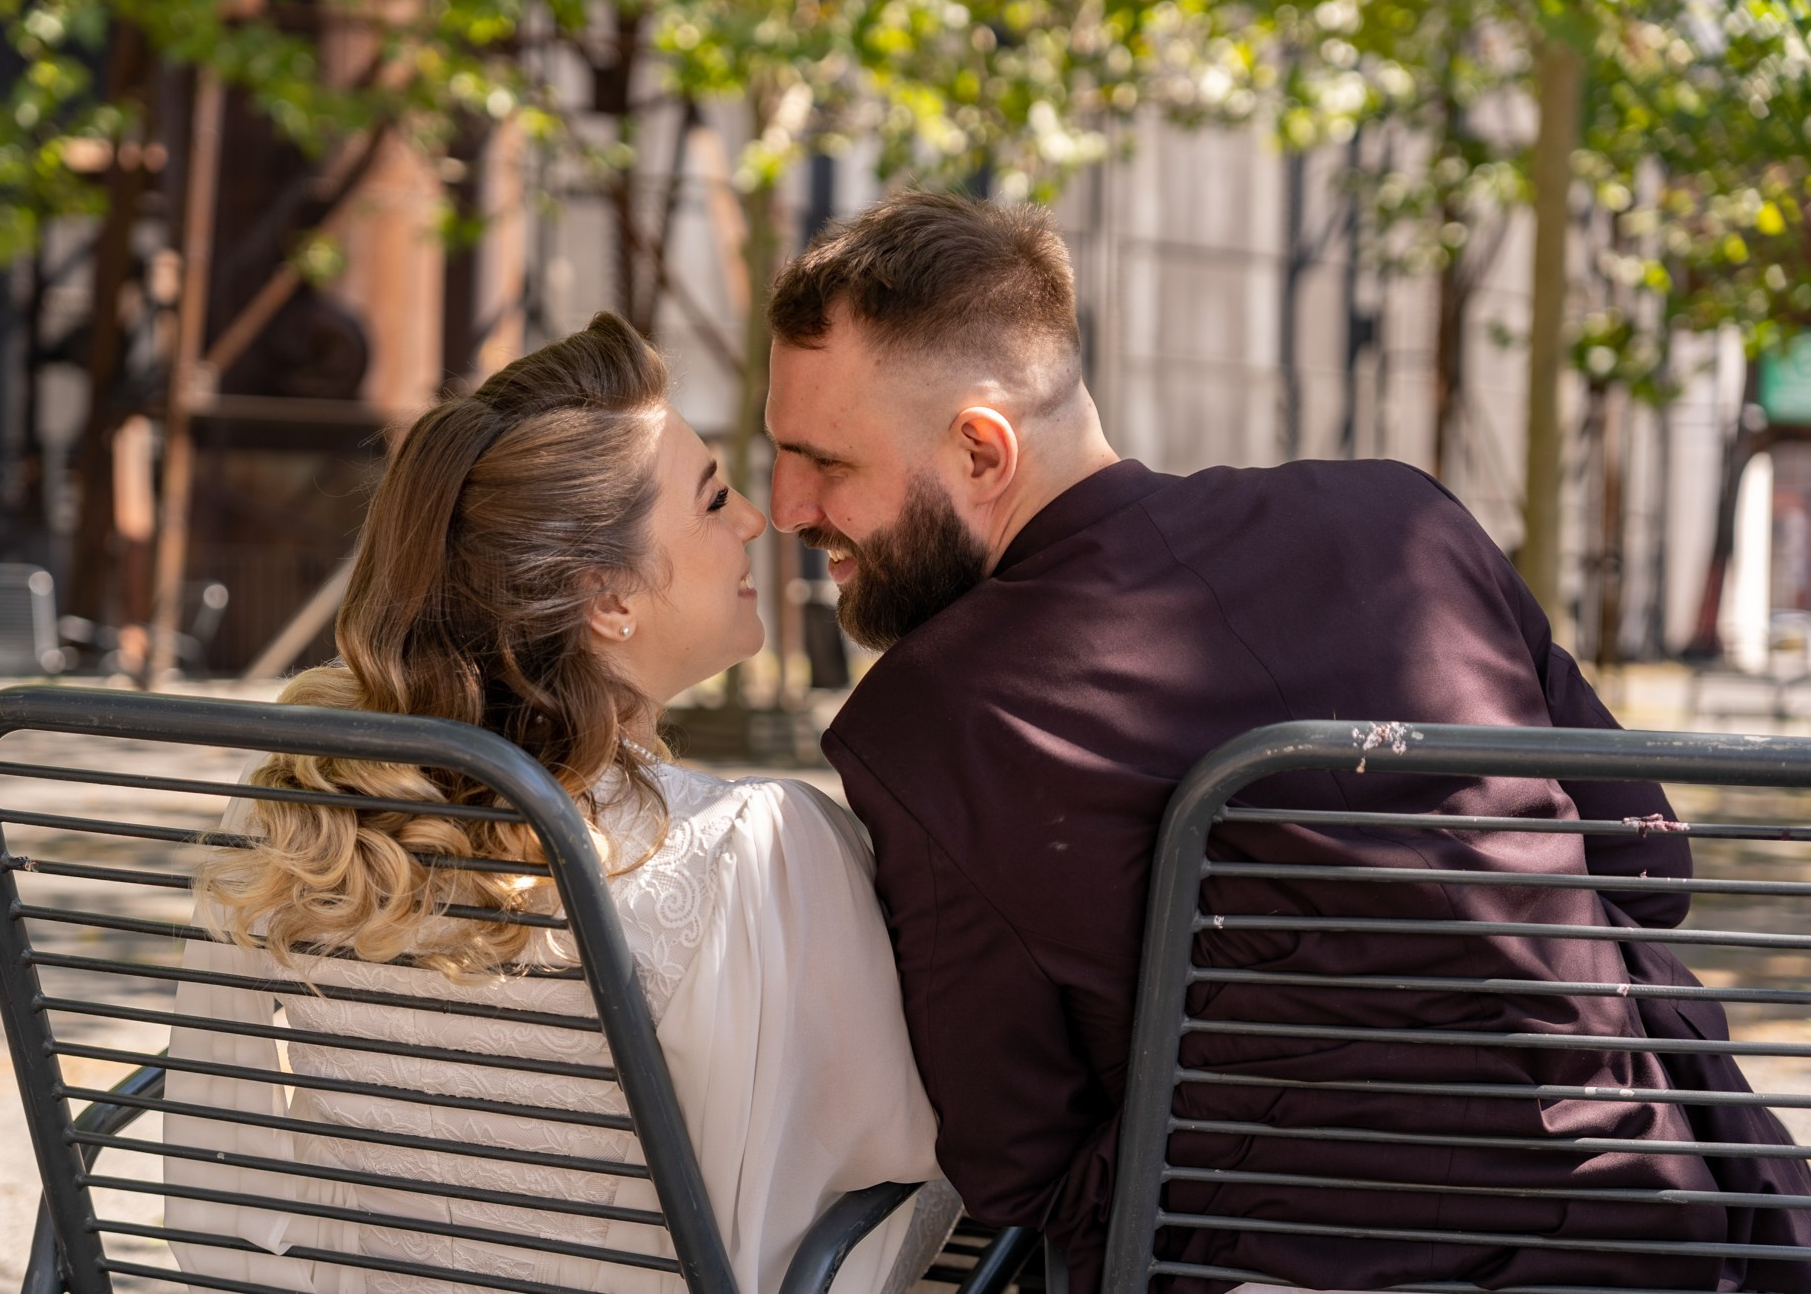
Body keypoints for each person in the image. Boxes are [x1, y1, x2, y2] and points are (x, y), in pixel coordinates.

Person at [763, 190, 1811, 1294]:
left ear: (981, 449)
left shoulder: (927, 724)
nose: (785, 503)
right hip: (1662, 1236)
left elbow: (1014, 1160)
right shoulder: (1399, 523)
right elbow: (1646, 869)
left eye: (820, 459)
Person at [167, 312, 953, 1294]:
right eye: (712, 500)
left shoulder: (311, 808)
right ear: (607, 598)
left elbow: (218, 1183)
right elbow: (844, 1228)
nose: (757, 518)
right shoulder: (749, 849)